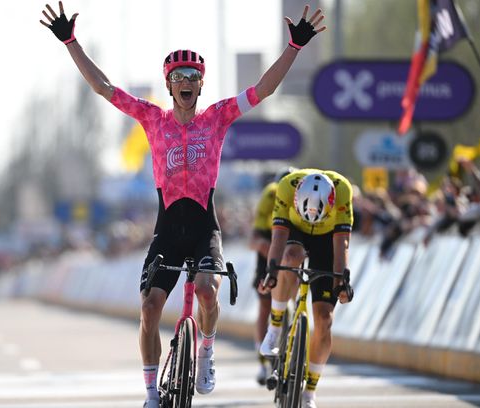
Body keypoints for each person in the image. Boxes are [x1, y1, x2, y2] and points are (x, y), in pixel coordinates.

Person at [40, 3, 327, 407]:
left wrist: (294, 47)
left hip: (204, 228)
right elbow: (104, 88)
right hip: (167, 231)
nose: (186, 82)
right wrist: (71, 42)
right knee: (149, 307)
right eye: (178, 77)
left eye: (193, 76)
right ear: (169, 85)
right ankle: (151, 393)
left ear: (201, 84)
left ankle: (206, 350)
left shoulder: (216, 118)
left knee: (208, 292)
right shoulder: (153, 119)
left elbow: (263, 89)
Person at [259, 169, 353, 408]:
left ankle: (309, 391)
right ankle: (275, 327)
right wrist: (271, 273)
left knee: (324, 318)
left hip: (328, 238)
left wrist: (341, 283)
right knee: (290, 257)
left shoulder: (343, 190)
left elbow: (341, 243)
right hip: (296, 231)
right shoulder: (286, 186)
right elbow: (278, 239)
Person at [248, 167, 296, 385]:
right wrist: (263, 247)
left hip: (294, 239)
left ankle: (294, 345)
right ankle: (262, 362)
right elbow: (254, 239)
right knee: (265, 306)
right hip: (270, 242)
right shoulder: (270, 194)